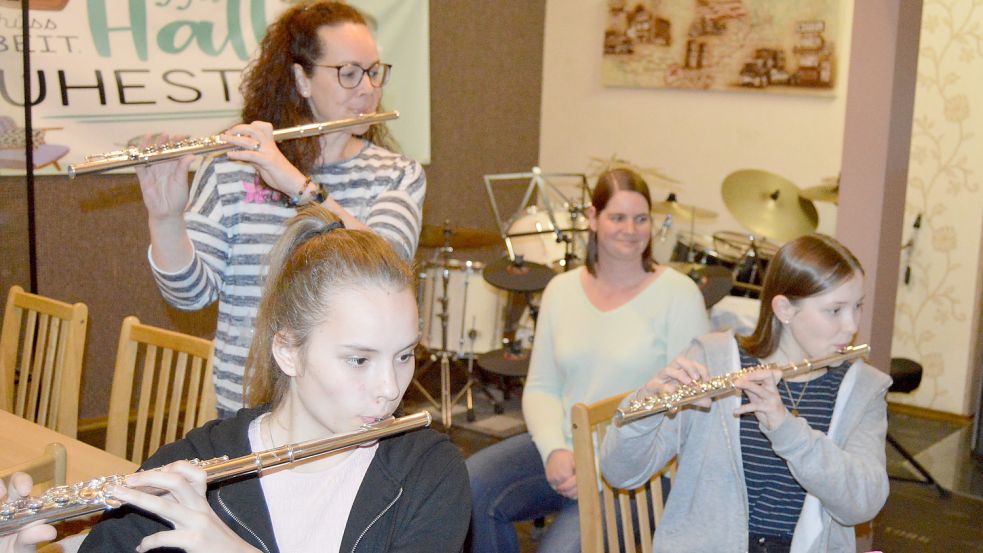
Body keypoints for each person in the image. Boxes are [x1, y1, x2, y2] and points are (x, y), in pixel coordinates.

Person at [47, 206, 464, 552]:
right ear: (287, 351)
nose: (390, 389)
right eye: (359, 360)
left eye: (404, 355)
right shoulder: (199, 462)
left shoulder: (429, 471)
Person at [139, 0, 425, 417]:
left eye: (374, 71)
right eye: (348, 73)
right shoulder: (233, 169)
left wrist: (296, 184)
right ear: (301, 79)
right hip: (248, 411)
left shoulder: (396, 175)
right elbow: (191, 296)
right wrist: (165, 221)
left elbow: (388, 268)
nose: (368, 88)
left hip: (357, 412)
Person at [467, 168, 711, 553]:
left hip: (636, 470)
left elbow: (687, 411)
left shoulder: (679, 296)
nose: (631, 229)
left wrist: (599, 468)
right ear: (593, 219)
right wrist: (554, 451)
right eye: (617, 217)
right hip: (566, 449)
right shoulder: (561, 290)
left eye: (641, 218)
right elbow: (543, 386)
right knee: (471, 487)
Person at [601, 234, 892, 553]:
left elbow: (863, 504)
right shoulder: (713, 360)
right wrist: (646, 411)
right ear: (784, 309)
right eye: (835, 310)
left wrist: (787, 430)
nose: (851, 326)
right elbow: (620, 474)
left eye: (858, 306)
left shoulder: (864, 388)